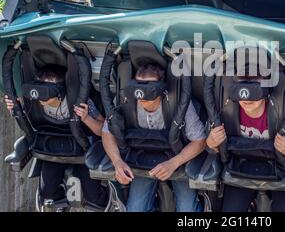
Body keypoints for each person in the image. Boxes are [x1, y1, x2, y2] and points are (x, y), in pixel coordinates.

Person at [102, 64, 206, 212]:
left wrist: (173, 163)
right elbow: (107, 132)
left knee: (187, 209)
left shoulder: (179, 102)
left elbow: (199, 141)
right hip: (141, 157)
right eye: (139, 85)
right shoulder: (124, 100)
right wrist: (117, 161)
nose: (142, 93)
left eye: (149, 87)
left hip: (178, 158)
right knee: (135, 209)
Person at [5, 64, 108, 208]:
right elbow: (25, 118)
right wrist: (15, 109)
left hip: (83, 149)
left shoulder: (79, 99)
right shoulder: (32, 101)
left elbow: (104, 130)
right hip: (52, 147)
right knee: (46, 192)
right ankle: (63, 200)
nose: (41, 95)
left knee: (94, 196)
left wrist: (86, 119)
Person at [207, 75, 285, 212]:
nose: (247, 95)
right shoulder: (226, 108)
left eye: (254, 86)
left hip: (279, 170)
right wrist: (211, 143)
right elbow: (216, 146)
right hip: (240, 168)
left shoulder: (284, 112)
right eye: (243, 85)